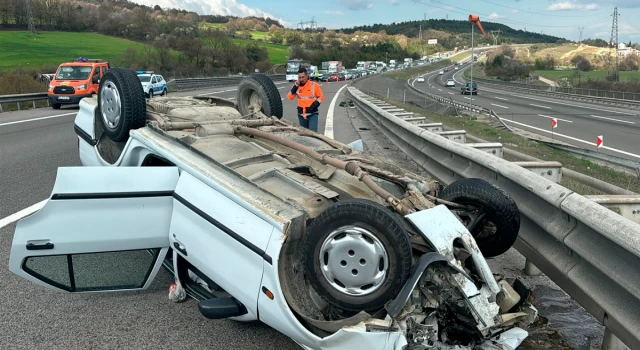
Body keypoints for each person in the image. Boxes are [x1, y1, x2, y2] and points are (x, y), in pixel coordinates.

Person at [287, 67, 325, 132]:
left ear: (307, 76)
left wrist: (314, 106)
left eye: (303, 77)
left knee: (313, 134)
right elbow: (289, 97)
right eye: (299, 77)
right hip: (301, 115)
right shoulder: (297, 86)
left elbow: (321, 97)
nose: (301, 79)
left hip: (312, 114)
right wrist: (295, 87)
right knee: (304, 136)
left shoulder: (314, 85)